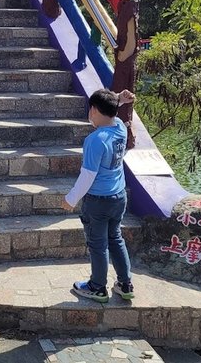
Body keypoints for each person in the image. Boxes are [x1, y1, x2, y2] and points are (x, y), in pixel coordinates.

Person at [61, 88, 136, 303]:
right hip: (118, 197)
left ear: (93, 110)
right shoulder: (120, 128)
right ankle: (125, 284)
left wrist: (71, 199)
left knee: (98, 244)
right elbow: (111, 114)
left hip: (98, 201)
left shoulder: (95, 140)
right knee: (115, 238)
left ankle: (97, 287)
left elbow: (88, 176)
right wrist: (118, 101)